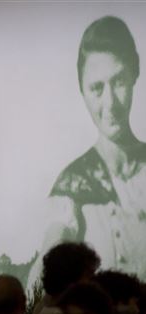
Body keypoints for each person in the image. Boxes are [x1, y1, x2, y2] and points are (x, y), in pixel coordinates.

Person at [27, 15, 146, 293]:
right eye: (96, 88)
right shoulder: (73, 185)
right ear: (82, 90)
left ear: (135, 73)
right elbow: (43, 277)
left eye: (118, 82)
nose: (110, 103)